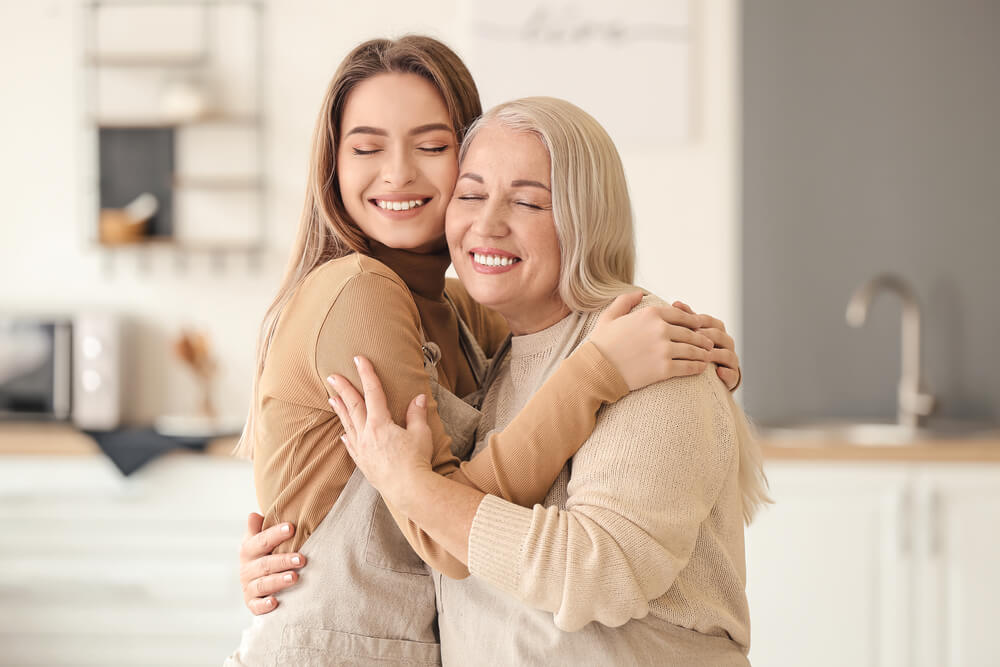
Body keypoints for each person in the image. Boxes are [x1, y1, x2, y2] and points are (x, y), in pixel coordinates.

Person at [227, 36, 743, 666]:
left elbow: (558, 345)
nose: (396, 173)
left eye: (432, 146)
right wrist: (600, 371)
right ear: (332, 165)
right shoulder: (356, 289)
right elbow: (442, 532)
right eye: (366, 147)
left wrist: (683, 341)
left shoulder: (470, 309)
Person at [327, 97, 770, 666]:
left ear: (587, 219)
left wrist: (412, 487)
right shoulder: (494, 351)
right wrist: (290, 559)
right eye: (471, 194)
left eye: (529, 202)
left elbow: (600, 574)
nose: (487, 224)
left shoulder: (653, 355)